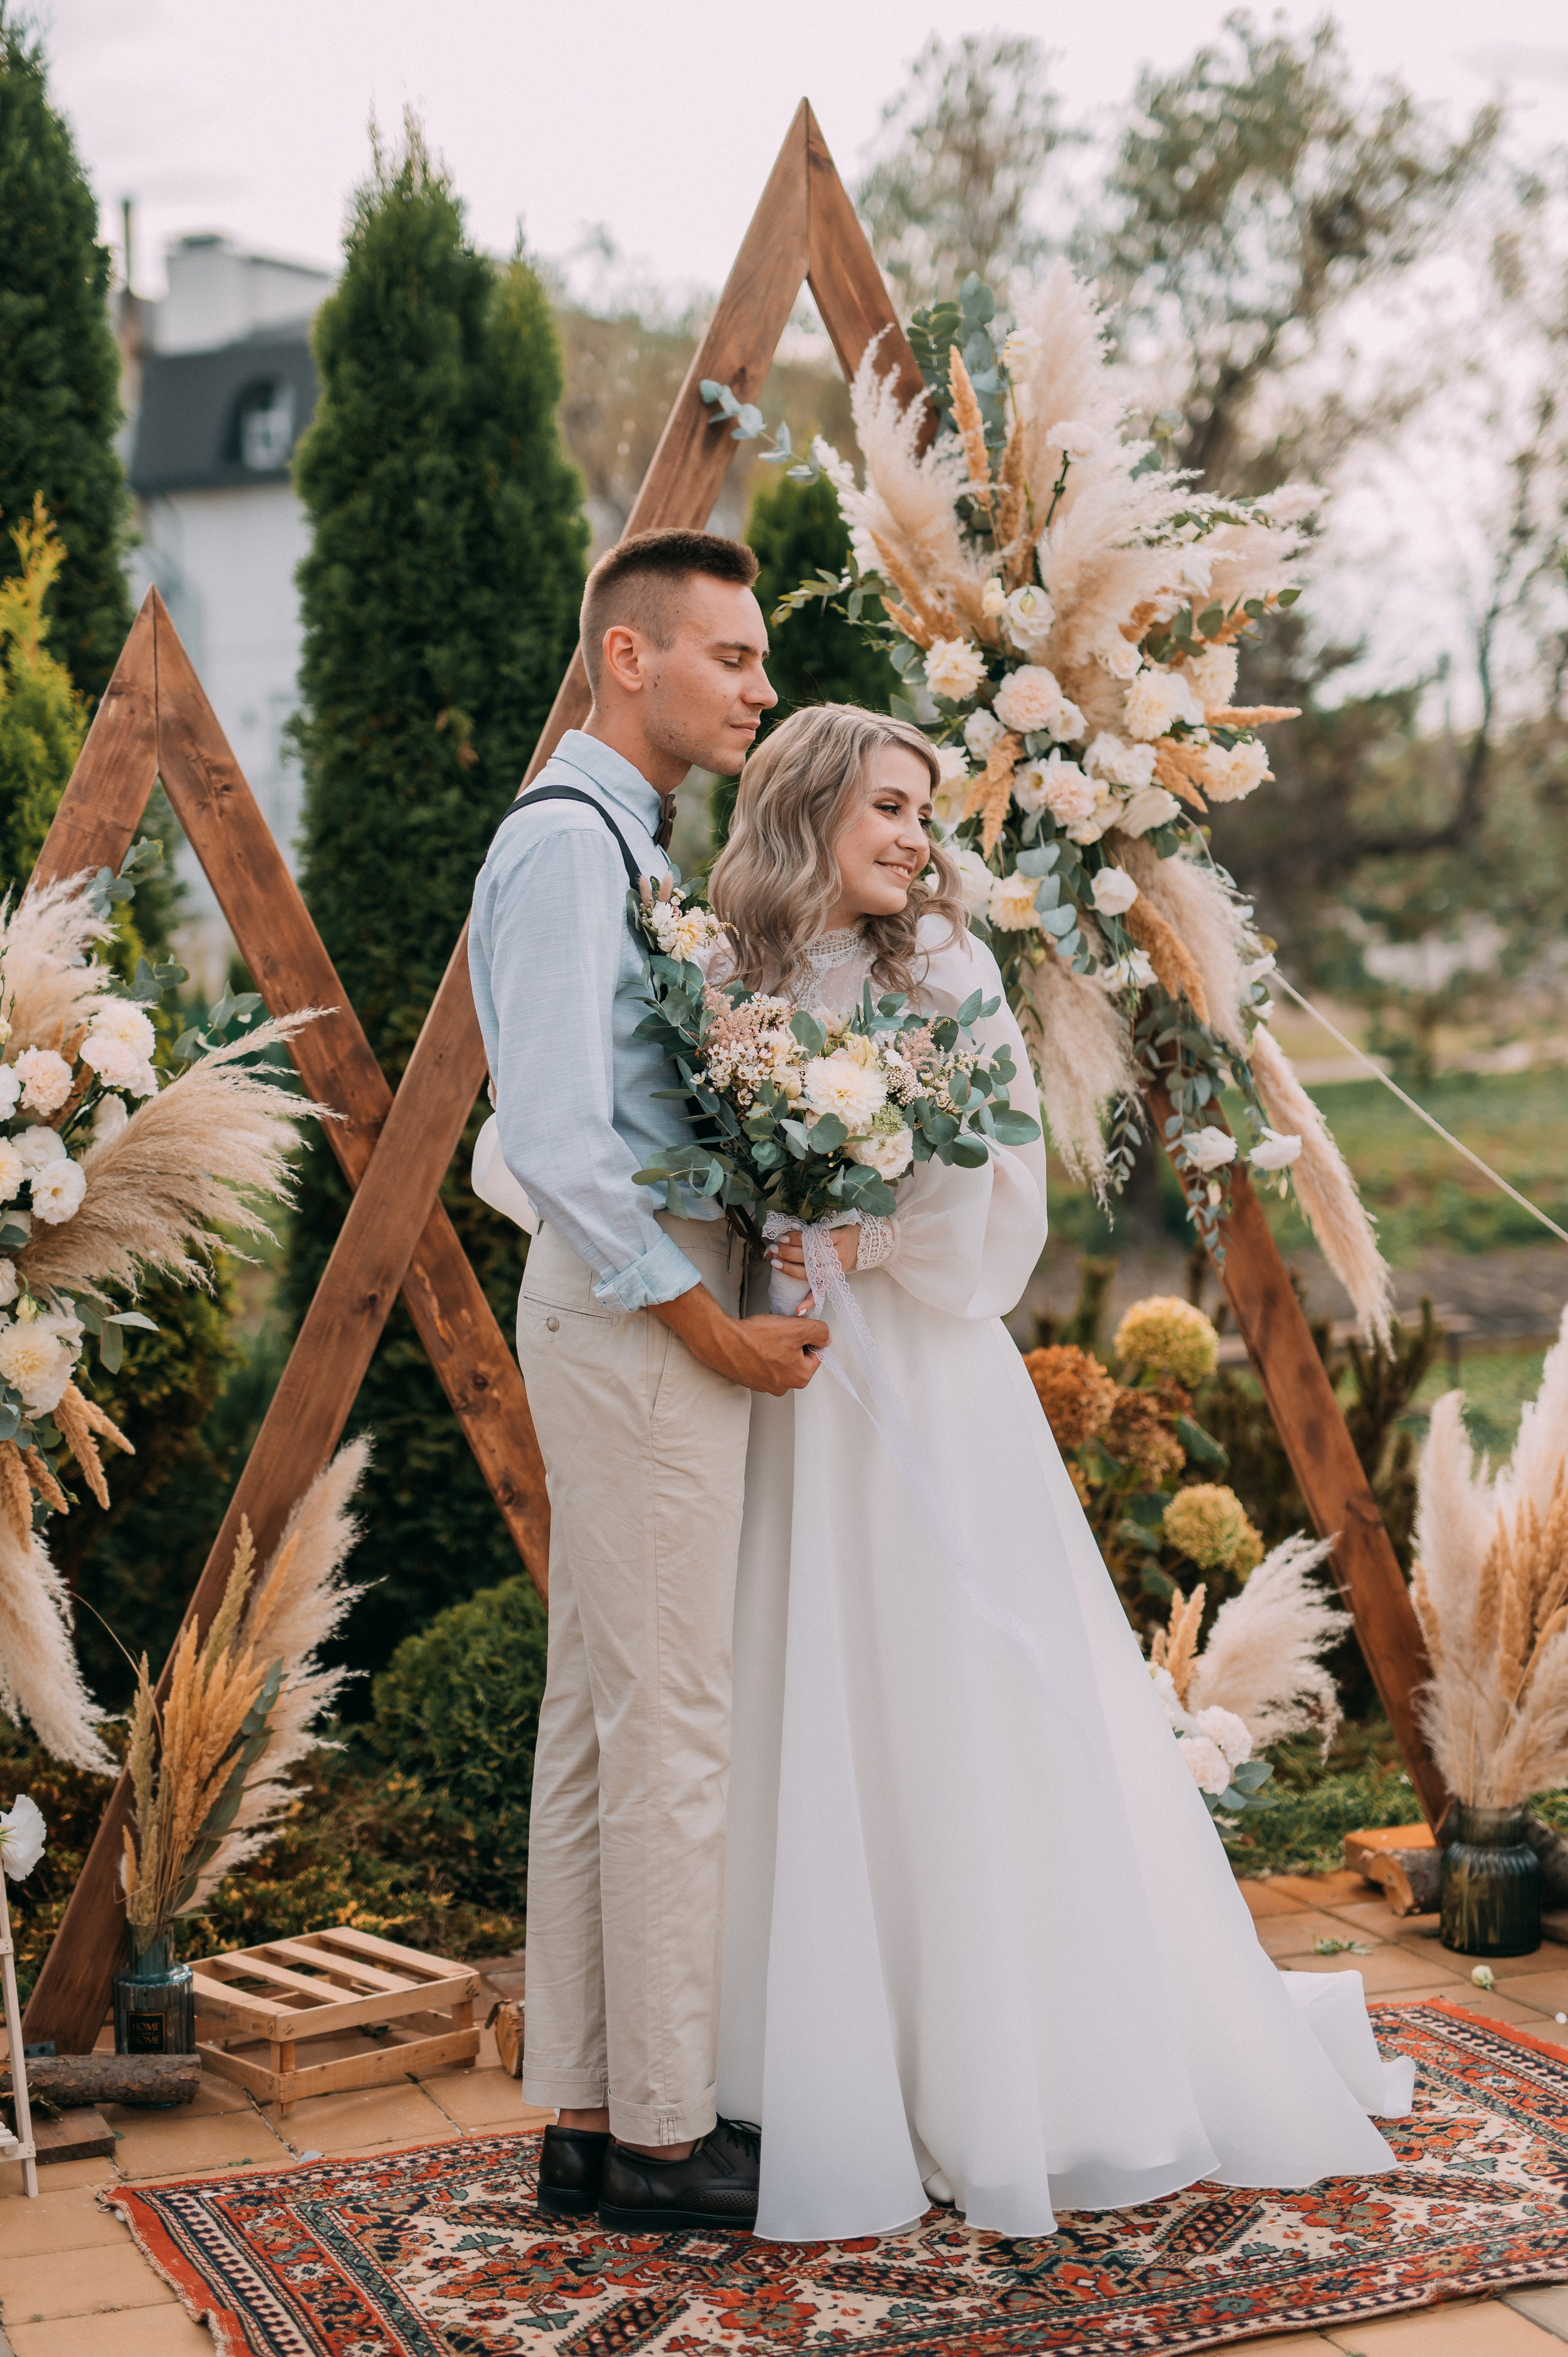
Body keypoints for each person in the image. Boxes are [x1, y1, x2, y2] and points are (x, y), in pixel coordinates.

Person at [707, 703, 1414, 2244]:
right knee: (803, 1686)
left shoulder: (946, 965)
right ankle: (816, 2061)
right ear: (801, 809)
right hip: (783, 1375)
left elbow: (999, 1182)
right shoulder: (730, 973)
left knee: (951, 1681)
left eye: (922, 809)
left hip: (922, 1372)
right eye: (882, 807)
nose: (911, 835)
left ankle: (1005, 2062)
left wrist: (864, 1232)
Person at [468, 529, 827, 2236]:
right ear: (632, 660)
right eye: (734, 657)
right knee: (672, 1717)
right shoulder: (565, 850)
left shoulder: (630, 846)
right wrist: (711, 1325)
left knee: (608, 1718)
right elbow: (550, 1135)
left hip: (641, 1306)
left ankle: (594, 2112)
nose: (761, 686)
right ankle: (670, 2143)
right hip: (635, 1321)